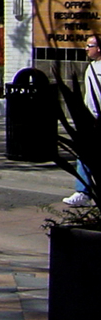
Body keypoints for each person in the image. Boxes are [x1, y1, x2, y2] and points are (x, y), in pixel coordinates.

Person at [64, 33, 101, 207]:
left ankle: (84, 192)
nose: (86, 49)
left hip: (97, 119)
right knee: (84, 154)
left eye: (89, 46)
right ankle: (83, 191)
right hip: (90, 119)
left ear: (99, 48)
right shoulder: (91, 67)